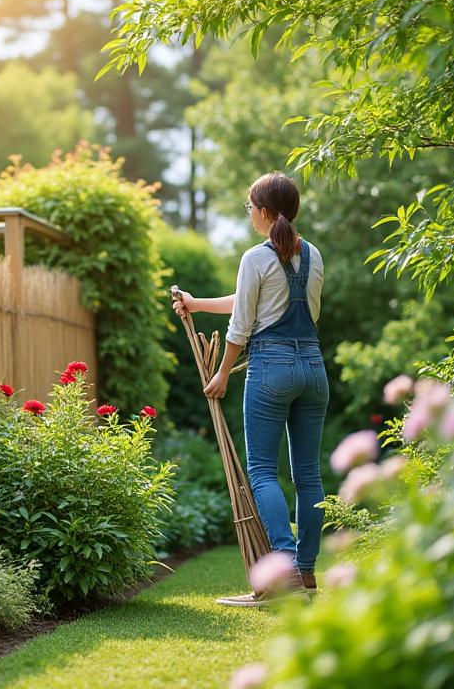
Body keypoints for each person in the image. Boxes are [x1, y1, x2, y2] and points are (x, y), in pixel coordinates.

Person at [172, 172, 326, 606]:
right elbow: (255, 302)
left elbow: (241, 326)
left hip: (271, 366)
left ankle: (284, 568)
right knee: (308, 475)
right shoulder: (313, 255)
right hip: (313, 367)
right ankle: (306, 572)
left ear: (263, 211)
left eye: (248, 207)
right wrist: (197, 303)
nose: (248, 214)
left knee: (261, 471)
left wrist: (222, 372)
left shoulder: (255, 257)